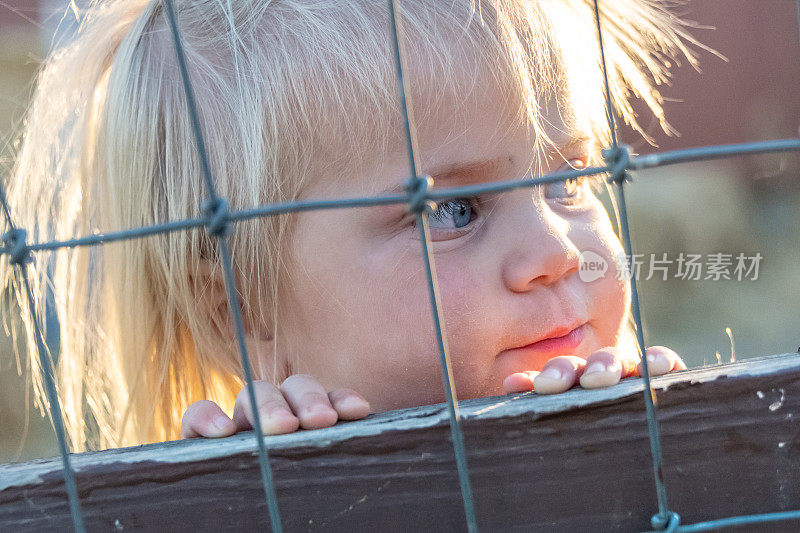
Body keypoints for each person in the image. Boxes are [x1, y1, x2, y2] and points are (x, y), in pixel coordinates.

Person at [4, 0, 697, 450]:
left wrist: (660, 447)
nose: (556, 251)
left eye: (569, 178)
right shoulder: (240, 497)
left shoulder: (662, 437)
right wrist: (266, 485)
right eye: (454, 211)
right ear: (243, 313)